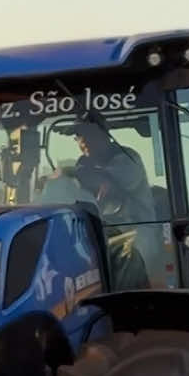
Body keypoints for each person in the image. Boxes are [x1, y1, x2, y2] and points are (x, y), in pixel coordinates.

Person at [64, 119, 156, 289]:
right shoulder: (83, 164)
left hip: (135, 228)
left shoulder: (127, 158)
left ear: (104, 135)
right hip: (98, 232)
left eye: (88, 135)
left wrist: (66, 173)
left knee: (126, 257)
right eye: (78, 137)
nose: (83, 141)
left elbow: (102, 181)